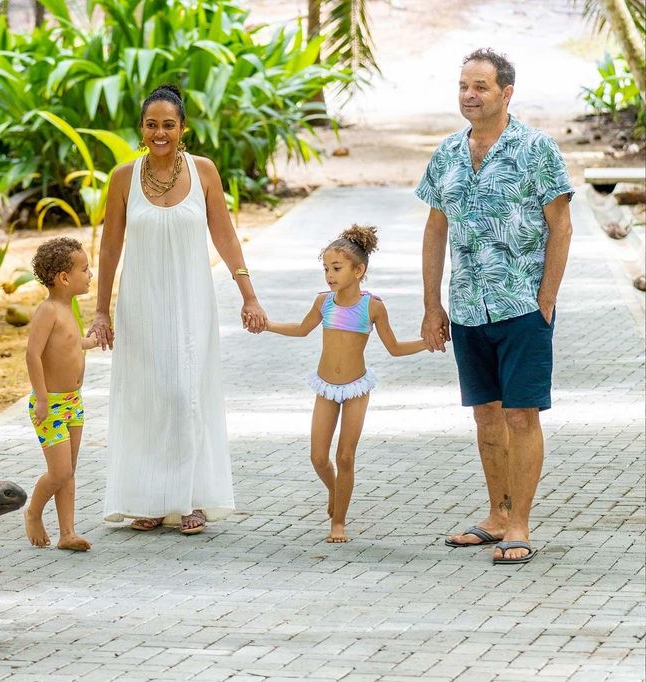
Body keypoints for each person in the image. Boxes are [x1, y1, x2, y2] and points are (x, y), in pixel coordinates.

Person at [416, 48, 573, 565]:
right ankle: (496, 516)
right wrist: (432, 305)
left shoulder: (536, 148)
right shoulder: (447, 153)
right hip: (467, 308)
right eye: (464, 85)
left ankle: (520, 524)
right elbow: (435, 230)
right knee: (486, 416)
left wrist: (546, 298)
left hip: (522, 306)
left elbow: (561, 225)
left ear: (506, 93)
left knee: (521, 416)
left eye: (480, 86)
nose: (469, 95)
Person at [88, 84, 267, 535]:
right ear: (141, 128)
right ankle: (148, 499)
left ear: (183, 127)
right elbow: (109, 248)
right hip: (141, 303)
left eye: (169, 124)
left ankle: (190, 499)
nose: (160, 132)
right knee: (147, 396)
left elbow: (225, 236)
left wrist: (248, 294)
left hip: (192, 303)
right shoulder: (123, 178)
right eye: (152, 124)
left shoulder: (203, 171)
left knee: (186, 393)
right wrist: (102, 311)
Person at [264, 225, 428, 542]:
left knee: (345, 457)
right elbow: (301, 329)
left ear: (358, 270)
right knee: (318, 457)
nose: (329, 275)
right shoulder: (323, 302)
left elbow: (394, 348)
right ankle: (335, 490)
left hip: (356, 388)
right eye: (326, 268)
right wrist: (267, 325)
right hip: (326, 387)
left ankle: (338, 522)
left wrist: (426, 343)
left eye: (336, 268)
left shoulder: (373, 306)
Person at [24, 237, 100, 551]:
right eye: (85, 269)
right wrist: (42, 398)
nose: (90, 274)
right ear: (64, 278)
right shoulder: (48, 311)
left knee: (69, 471)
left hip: (73, 403)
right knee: (60, 472)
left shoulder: (68, 308)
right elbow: (32, 354)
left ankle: (67, 533)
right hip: (51, 404)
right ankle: (33, 512)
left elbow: (67, 343)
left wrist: (89, 342)